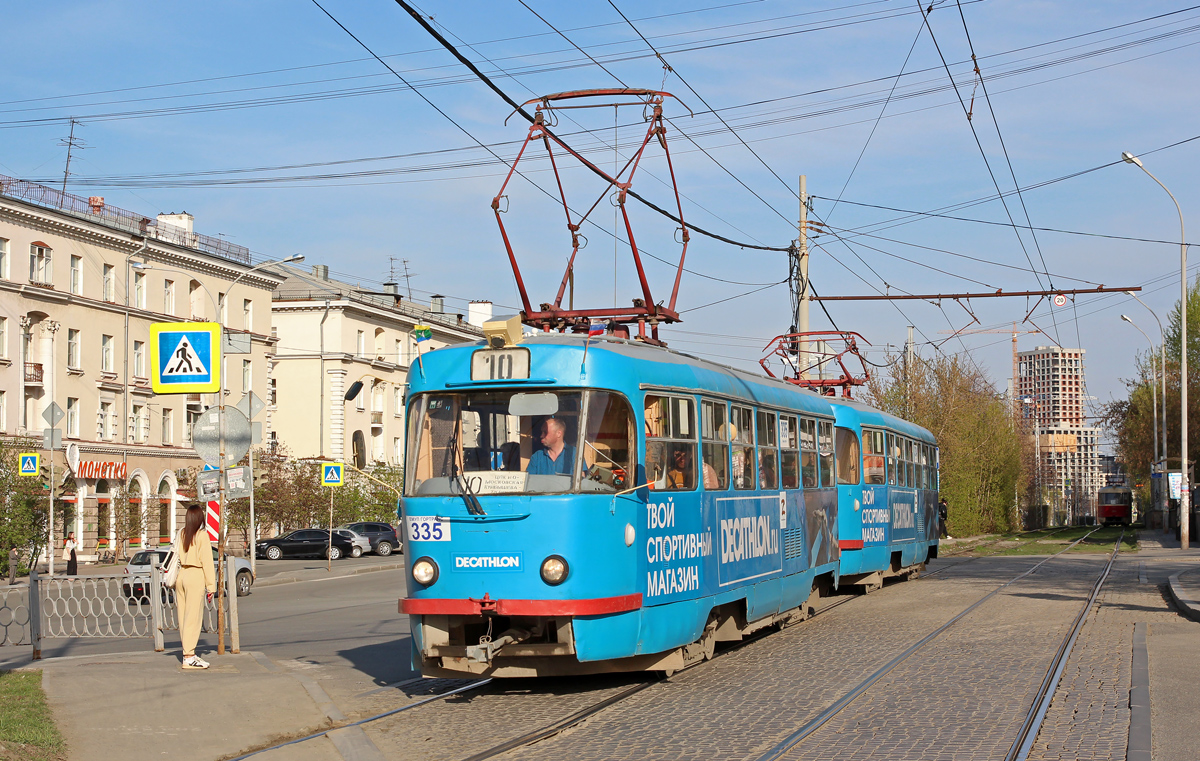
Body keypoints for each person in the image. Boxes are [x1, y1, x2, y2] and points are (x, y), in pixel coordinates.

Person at [176, 505, 216, 670]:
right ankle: (189, 656)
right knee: (193, 617)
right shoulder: (202, 536)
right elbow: (207, 561)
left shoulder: (182, 533)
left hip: (181, 575)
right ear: (200, 518)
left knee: (183, 616)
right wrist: (211, 586)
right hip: (195, 575)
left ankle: (187, 652)